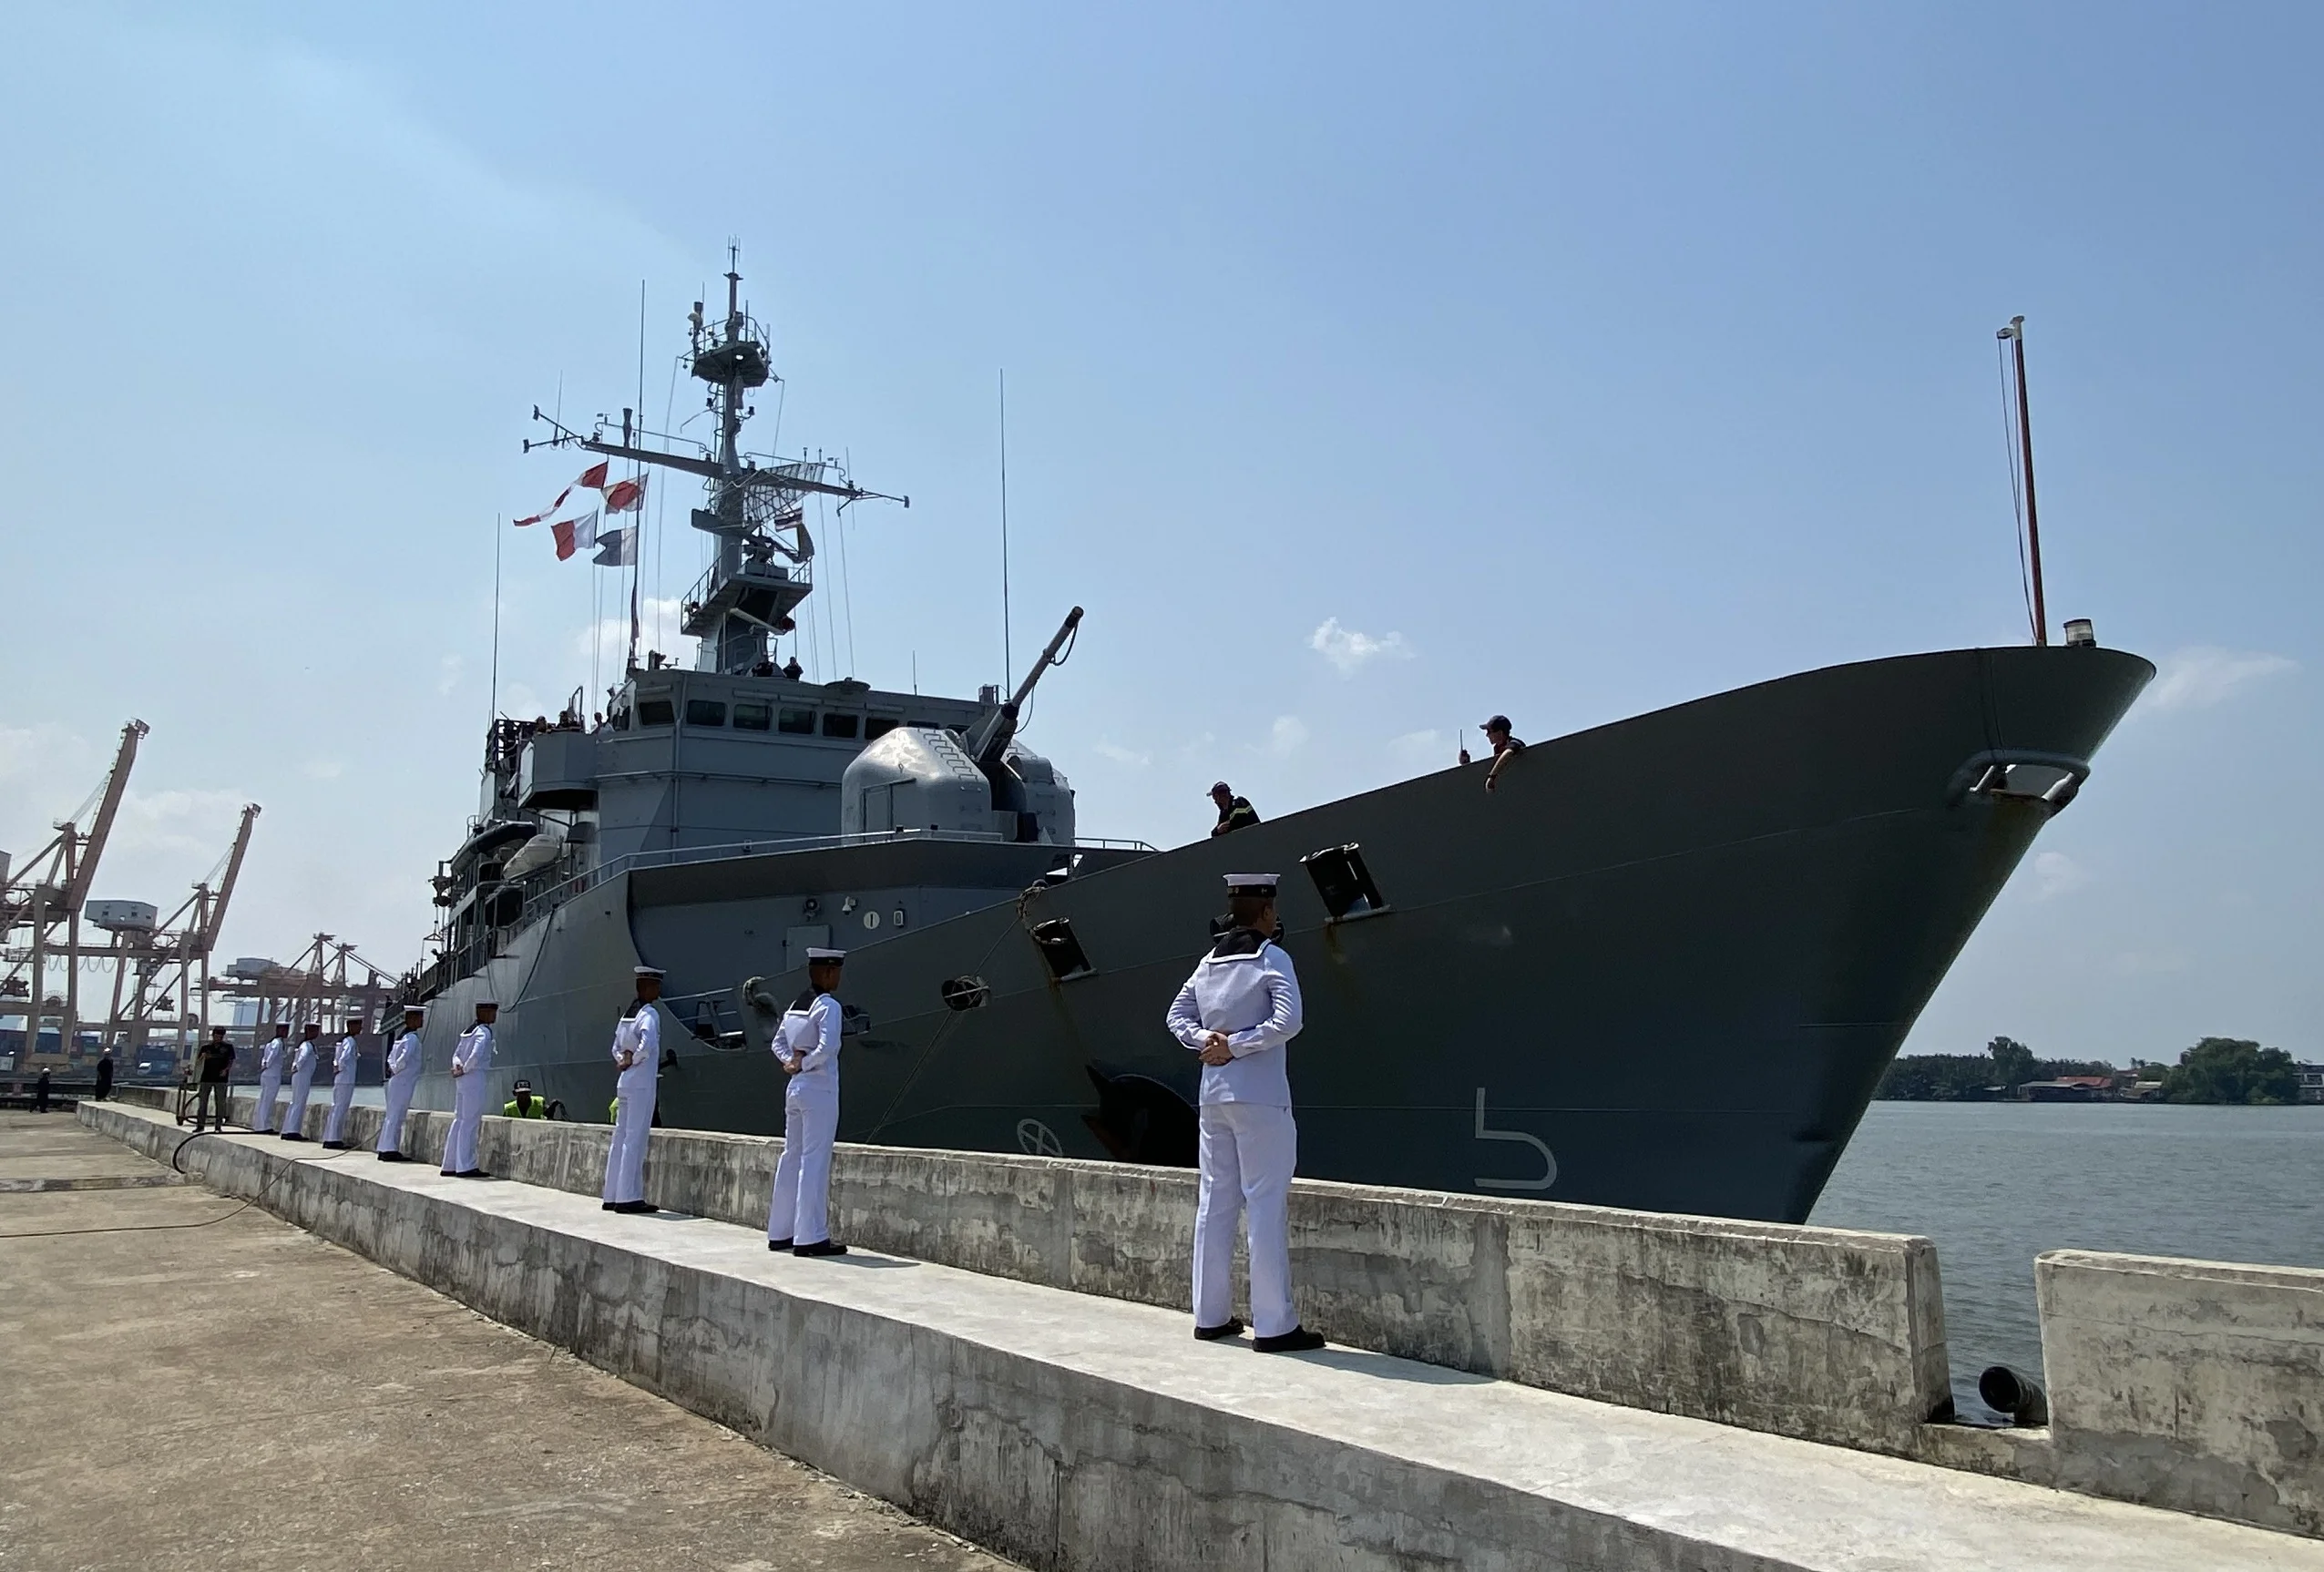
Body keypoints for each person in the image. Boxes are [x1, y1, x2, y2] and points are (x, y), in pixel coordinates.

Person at [1165, 873, 1325, 1353]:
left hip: (1213, 1096)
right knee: (1264, 1204)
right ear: (1267, 913)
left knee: (1214, 1202)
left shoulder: (1208, 963)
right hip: (1259, 1096)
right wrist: (1237, 1046)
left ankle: (1210, 1316)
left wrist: (1206, 1041)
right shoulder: (1272, 958)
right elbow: (1288, 1021)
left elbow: (1176, 1016)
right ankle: (1274, 1325)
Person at [766, 948, 847, 1257]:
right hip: (819, 1088)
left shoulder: (795, 1007)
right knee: (815, 1160)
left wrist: (790, 1062)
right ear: (827, 972)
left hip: (795, 1088)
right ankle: (810, 1236)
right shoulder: (828, 1006)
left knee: (791, 1157)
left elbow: (777, 1042)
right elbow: (829, 1047)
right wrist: (805, 1063)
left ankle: (781, 1232)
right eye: (836, 972)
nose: (838, 978)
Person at [601, 966, 664, 1214]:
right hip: (641, 1082)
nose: (658, 990)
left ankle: (611, 1195)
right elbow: (648, 1044)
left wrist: (623, 1060)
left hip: (624, 1081)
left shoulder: (627, 1016)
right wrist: (634, 1059)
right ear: (646, 987)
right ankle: (628, 1197)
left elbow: (615, 1047)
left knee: (620, 1137)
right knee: (634, 1139)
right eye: (656, 986)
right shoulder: (648, 1014)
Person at [441, 1001, 496, 1179]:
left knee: (459, 1120)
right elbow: (476, 1054)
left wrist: (458, 1067)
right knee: (470, 1122)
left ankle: (449, 1164)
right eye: (492, 1012)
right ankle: (466, 1166)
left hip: (462, 1080)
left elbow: (456, 1055)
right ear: (484, 1013)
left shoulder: (468, 1032)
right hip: (475, 1077)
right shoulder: (483, 1032)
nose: (494, 1016)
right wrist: (465, 1069)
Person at [377, 1005, 425, 1161]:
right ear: (412, 1019)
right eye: (419, 1017)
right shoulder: (412, 1038)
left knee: (391, 1115)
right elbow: (404, 1058)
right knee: (397, 1115)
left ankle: (384, 1147)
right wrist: (397, 1069)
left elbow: (390, 1057)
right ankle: (390, 1150)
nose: (422, 1020)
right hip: (404, 1081)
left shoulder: (402, 1037)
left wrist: (393, 1069)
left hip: (397, 1081)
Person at [319, 1018, 363, 1148]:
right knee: (341, 1108)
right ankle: (334, 1139)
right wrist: (340, 1068)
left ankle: (330, 1137)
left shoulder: (343, 1040)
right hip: (346, 1079)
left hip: (340, 1079)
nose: (360, 1029)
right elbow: (344, 1057)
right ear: (351, 1027)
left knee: (336, 1107)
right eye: (358, 1026)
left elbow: (337, 1058)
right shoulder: (350, 1041)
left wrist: (337, 1068)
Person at [1459, 714, 1526, 793]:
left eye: (1489, 732)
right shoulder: (1498, 748)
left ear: (1500, 733)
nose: (1487, 735)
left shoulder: (1515, 743)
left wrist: (1492, 777)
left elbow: (1509, 752)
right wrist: (1466, 764)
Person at [277, 1024, 322, 1141]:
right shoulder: (307, 1045)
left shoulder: (304, 1044)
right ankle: (293, 1131)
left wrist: (295, 1068)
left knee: (295, 1102)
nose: (317, 1033)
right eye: (315, 1031)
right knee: (299, 1103)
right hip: (303, 1076)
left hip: (300, 1076)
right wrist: (297, 1067)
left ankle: (287, 1129)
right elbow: (302, 1058)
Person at [192, 1026, 235, 1132]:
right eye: (216, 1036)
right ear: (213, 1036)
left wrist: (226, 1070)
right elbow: (197, 1062)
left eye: (220, 1037)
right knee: (203, 1102)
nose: (218, 1039)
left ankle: (218, 1125)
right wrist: (203, 1057)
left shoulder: (228, 1047)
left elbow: (231, 1061)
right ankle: (200, 1125)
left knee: (220, 1103)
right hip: (206, 1077)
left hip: (221, 1078)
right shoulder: (206, 1047)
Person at [253, 1024, 289, 1133]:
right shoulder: (278, 1043)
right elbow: (271, 1057)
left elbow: (264, 1058)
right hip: (273, 1075)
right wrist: (267, 1065)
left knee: (264, 1099)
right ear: (280, 1030)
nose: (286, 1033)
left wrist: (264, 1066)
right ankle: (265, 1126)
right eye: (285, 1030)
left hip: (267, 1074)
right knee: (268, 1101)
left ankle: (259, 1125)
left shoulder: (271, 1043)